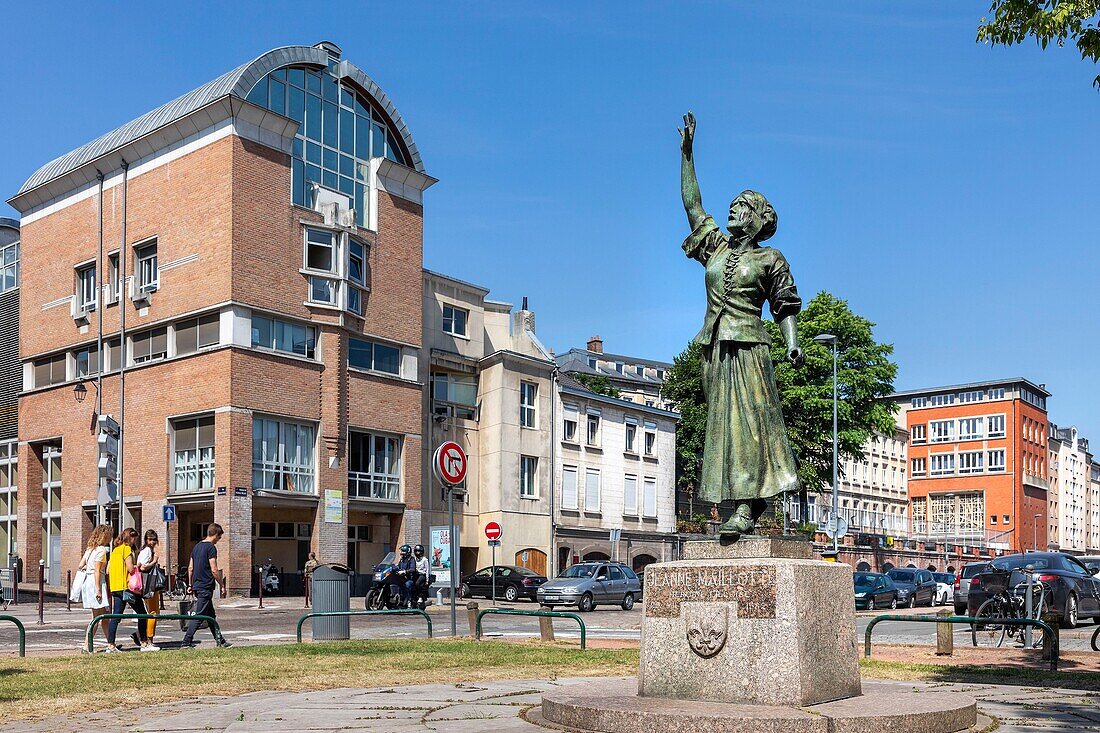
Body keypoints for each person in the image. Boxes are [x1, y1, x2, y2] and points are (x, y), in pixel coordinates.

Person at [678, 111, 803, 538]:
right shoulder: (715, 248)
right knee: (723, 428)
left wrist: (792, 343)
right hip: (715, 348)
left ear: (758, 219)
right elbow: (694, 207)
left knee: (751, 423)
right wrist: (688, 155)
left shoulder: (770, 259)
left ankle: (750, 505)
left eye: (742, 206)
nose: (733, 209)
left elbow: (785, 304)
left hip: (750, 346)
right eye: (732, 205)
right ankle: (739, 503)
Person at [105, 527, 157, 652]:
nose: (135, 541)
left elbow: (108, 570)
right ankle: (144, 643)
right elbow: (130, 569)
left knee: (116, 617)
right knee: (142, 614)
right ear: (130, 537)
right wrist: (137, 565)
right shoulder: (126, 549)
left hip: (115, 587)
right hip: (127, 588)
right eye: (134, 538)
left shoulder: (115, 551)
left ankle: (111, 645)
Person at [182, 522, 232, 649]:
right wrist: (222, 584)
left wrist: (190, 584)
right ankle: (186, 642)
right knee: (199, 616)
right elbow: (214, 569)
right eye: (219, 537)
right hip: (206, 586)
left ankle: (220, 640)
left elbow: (190, 567)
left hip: (197, 586)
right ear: (215, 535)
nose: (218, 540)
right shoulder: (211, 548)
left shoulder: (196, 547)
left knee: (210, 616)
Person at [79, 524, 113, 651]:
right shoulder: (101, 550)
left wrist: (89, 567)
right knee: (97, 617)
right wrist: (98, 589)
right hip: (97, 583)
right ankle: (87, 646)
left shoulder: (90, 549)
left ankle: (110, 643)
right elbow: (97, 571)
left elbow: (80, 565)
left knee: (104, 616)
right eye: (109, 535)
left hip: (89, 582)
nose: (110, 538)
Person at [133, 530, 162, 648]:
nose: (152, 542)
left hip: (145, 584)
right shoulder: (148, 551)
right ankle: (148, 638)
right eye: (150, 539)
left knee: (152, 611)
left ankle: (140, 634)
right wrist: (154, 562)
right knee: (153, 612)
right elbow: (143, 567)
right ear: (146, 540)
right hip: (149, 584)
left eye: (154, 539)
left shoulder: (144, 550)